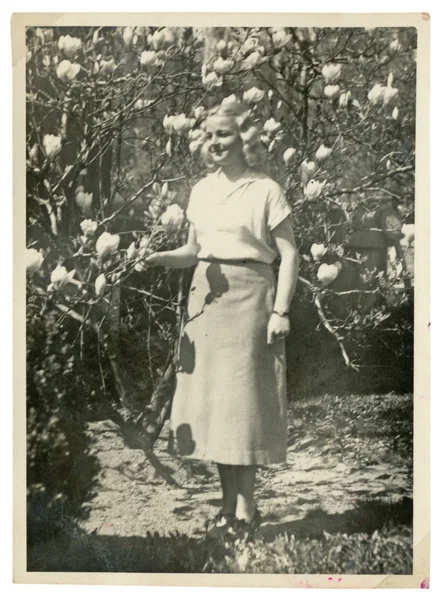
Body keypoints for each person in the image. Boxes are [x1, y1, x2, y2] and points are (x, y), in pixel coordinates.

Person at [141, 101, 299, 539]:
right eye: (209, 134)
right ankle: (228, 508)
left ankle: (246, 512)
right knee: (214, 408)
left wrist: (281, 310)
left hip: (251, 298)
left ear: (245, 140)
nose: (215, 142)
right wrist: (158, 259)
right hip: (205, 300)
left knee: (241, 406)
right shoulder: (201, 190)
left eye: (225, 134)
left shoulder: (265, 189)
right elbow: (192, 251)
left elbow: (289, 254)